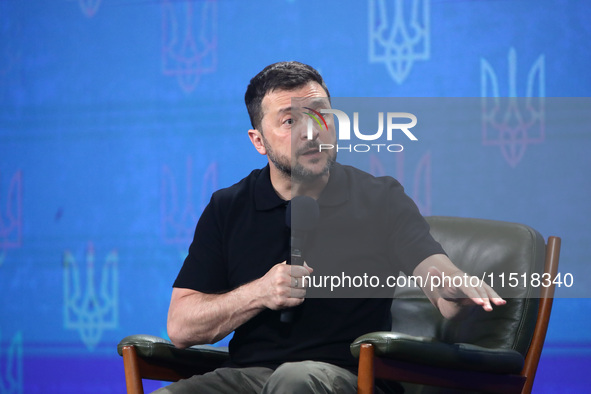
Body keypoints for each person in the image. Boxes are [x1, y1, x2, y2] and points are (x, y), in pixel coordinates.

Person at [158, 61, 505, 394]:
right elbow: (181, 327)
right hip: (247, 378)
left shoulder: (379, 197)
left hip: (350, 379)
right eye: (289, 121)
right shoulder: (228, 206)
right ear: (258, 141)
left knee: (294, 380)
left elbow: (434, 272)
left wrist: (455, 288)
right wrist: (259, 293)